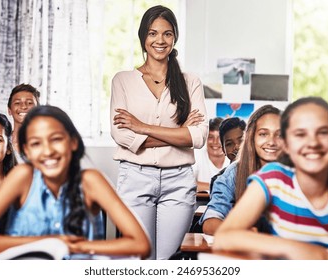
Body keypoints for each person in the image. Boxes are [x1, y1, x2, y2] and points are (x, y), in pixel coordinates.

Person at [0, 105, 150, 259]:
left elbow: (141, 244)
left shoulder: (91, 181)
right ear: (26, 151)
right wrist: (46, 243)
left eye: (56, 139)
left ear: (73, 142)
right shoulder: (22, 177)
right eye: (36, 143)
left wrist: (77, 247)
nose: (47, 151)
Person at [110, 5, 208, 259]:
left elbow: (197, 137)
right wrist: (178, 134)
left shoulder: (190, 82)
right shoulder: (122, 80)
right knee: (140, 258)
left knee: (167, 262)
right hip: (135, 178)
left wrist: (142, 128)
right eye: (153, 33)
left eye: (167, 33)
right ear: (143, 37)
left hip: (179, 182)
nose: (160, 40)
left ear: (174, 37)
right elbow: (122, 136)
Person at [213, 97, 328, 260]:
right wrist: (298, 249)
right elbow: (224, 237)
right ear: (288, 144)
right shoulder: (273, 178)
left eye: (323, 132)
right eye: (300, 134)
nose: (312, 143)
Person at [199, 105, 282, 235]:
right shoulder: (233, 173)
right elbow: (210, 223)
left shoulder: (298, 172)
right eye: (263, 134)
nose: (271, 141)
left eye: (279, 134)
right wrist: (244, 234)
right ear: (251, 138)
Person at [193, 117, 229, 193]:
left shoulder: (235, 158)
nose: (215, 142)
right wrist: (219, 186)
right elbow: (188, 184)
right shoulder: (197, 155)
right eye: (211, 137)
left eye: (219, 137)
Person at [7, 83, 40, 162]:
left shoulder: (44, 142)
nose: (24, 106)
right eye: (17, 103)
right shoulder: (3, 142)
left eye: (29, 103)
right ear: (9, 110)